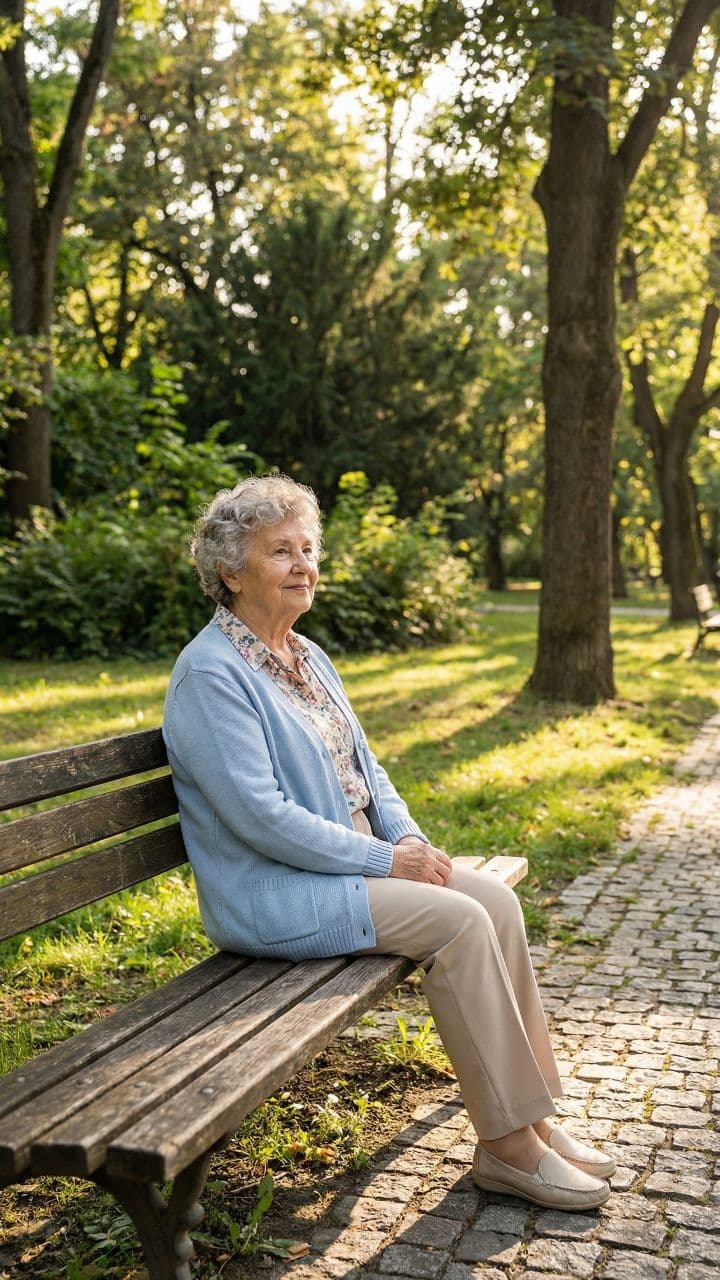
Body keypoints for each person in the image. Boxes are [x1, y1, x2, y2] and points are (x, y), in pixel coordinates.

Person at [164, 474, 616, 1211]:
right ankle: (506, 1152)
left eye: (308, 547)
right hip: (274, 893)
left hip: (346, 871)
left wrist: (407, 837)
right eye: (281, 551)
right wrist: (386, 858)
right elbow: (261, 818)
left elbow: (367, 770)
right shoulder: (210, 675)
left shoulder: (307, 657)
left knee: (494, 901)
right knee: (459, 922)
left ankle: (530, 1118)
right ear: (229, 570)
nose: (304, 563)